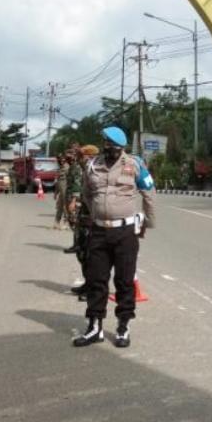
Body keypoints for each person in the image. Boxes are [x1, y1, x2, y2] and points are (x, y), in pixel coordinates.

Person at [74, 127, 156, 348]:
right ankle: (95, 327)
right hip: (99, 231)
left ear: (120, 147)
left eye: (111, 145)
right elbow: (87, 194)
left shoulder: (135, 164)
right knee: (96, 280)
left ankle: (123, 326)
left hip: (125, 232)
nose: (107, 148)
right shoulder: (93, 165)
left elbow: (149, 192)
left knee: (124, 281)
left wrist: (147, 222)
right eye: (106, 144)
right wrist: (98, 212)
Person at [66, 145, 100, 300]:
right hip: (84, 217)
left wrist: (74, 200)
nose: (79, 158)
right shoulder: (86, 169)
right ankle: (88, 284)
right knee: (82, 253)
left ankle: (92, 289)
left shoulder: (96, 171)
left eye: (82, 156)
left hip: (92, 219)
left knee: (90, 256)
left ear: (90, 156)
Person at [54, 154, 70, 229]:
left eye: (63, 159)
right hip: (61, 190)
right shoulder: (60, 168)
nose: (61, 160)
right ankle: (57, 222)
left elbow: (69, 180)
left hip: (66, 190)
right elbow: (58, 182)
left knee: (65, 206)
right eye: (59, 159)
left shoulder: (67, 167)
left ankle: (66, 222)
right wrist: (56, 193)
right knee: (60, 206)